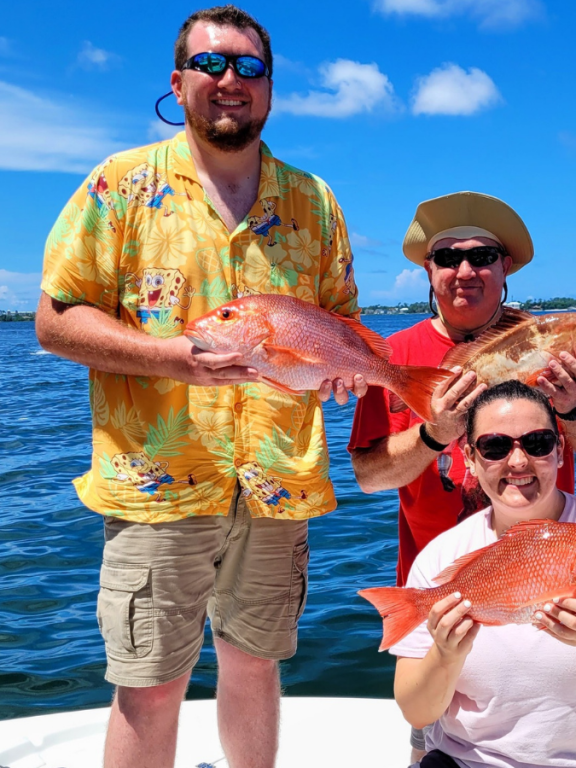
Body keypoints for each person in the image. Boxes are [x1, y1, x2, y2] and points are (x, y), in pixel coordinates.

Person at [35, 7, 362, 767]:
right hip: (158, 478)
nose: (229, 79)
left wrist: (344, 371)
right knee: (150, 683)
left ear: (270, 88)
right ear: (178, 83)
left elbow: (340, 323)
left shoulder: (314, 200)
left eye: (249, 66)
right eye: (210, 63)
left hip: (280, 478)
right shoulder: (120, 183)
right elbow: (55, 320)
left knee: (255, 664)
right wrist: (171, 358)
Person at [390, 380, 576, 768]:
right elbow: (417, 713)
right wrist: (446, 655)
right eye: (495, 447)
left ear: (560, 450)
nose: (518, 462)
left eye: (537, 443)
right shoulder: (439, 558)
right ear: (469, 458)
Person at [348, 191, 576, 587]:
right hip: (435, 587)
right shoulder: (394, 357)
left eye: (482, 257)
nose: (465, 271)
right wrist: (434, 435)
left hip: (545, 580)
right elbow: (368, 478)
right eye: (447, 258)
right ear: (428, 270)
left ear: (505, 266)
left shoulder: (555, 347)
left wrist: (574, 408)